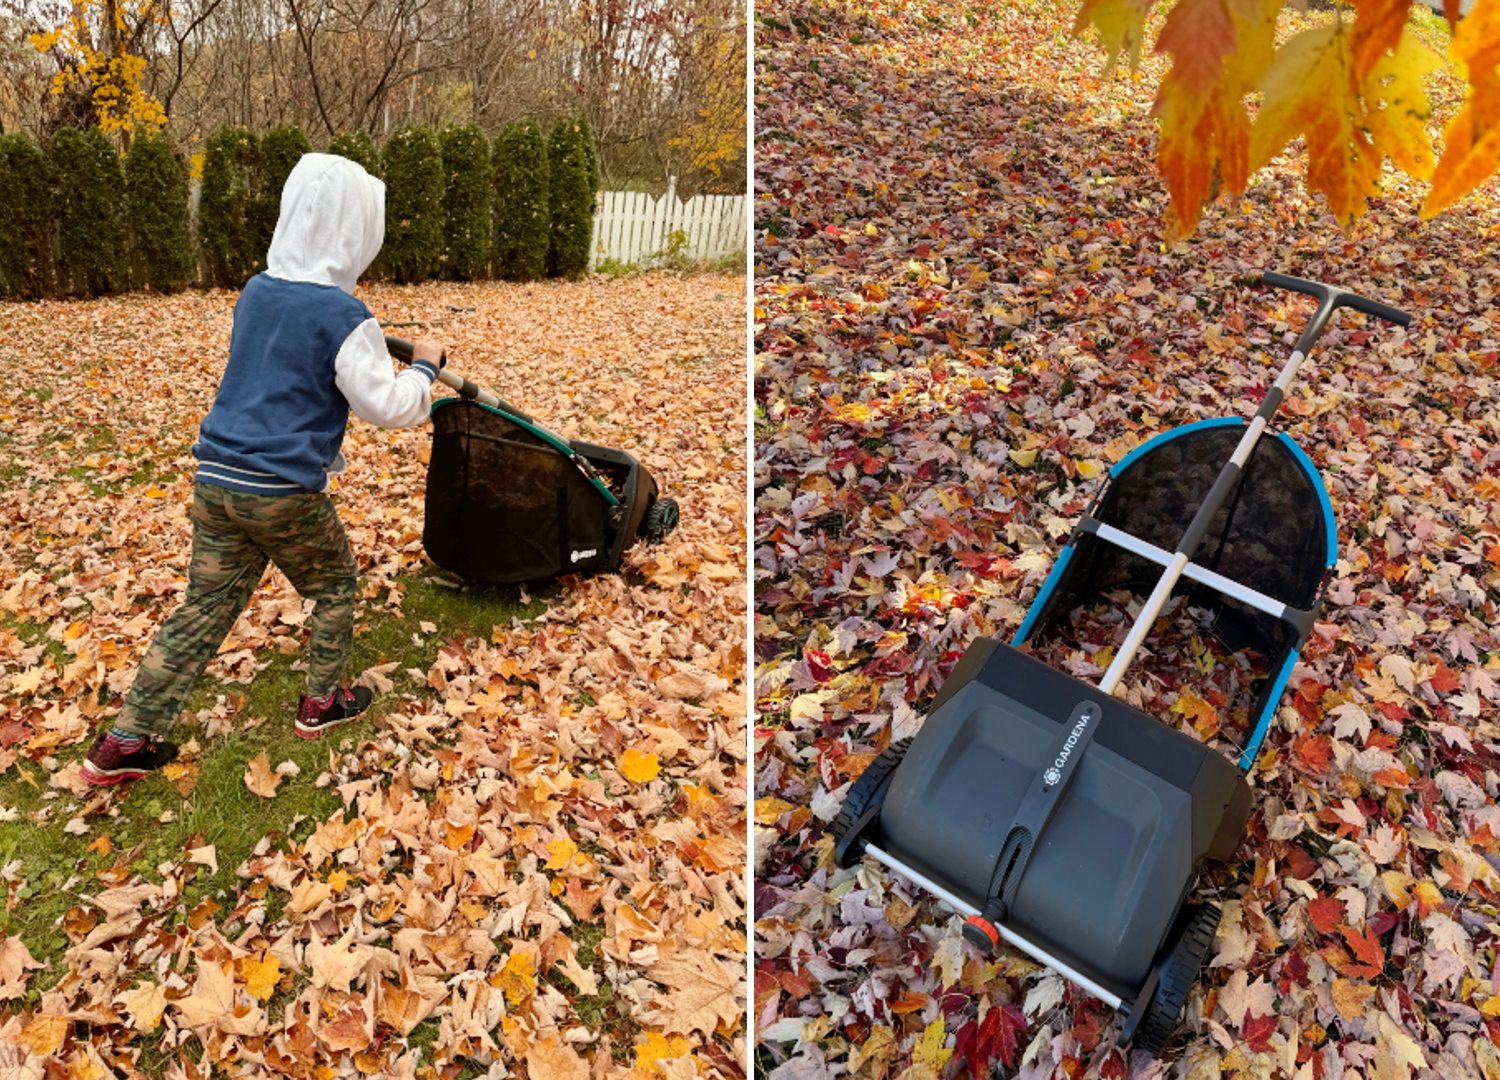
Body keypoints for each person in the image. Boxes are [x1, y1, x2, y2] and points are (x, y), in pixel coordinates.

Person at [82, 153, 445, 786]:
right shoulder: (345, 317)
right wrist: (424, 369)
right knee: (333, 586)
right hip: (280, 493)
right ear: (356, 230)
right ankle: (323, 703)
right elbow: (387, 407)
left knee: (201, 607)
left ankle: (124, 740)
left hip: (217, 479)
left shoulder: (256, 292)